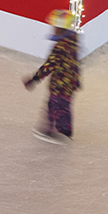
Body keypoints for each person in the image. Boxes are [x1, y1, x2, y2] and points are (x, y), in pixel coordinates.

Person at [24, 9, 82, 143]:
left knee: (53, 106)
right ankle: (66, 130)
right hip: (70, 84)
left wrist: (34, 79)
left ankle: (49, 131)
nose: (53, 30)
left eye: (55, 27)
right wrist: (77, 81)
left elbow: (49, 66)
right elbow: (75, 64)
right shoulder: (73, 42)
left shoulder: (60, 47)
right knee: (64, 106)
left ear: (62, 29)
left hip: (60, 84)